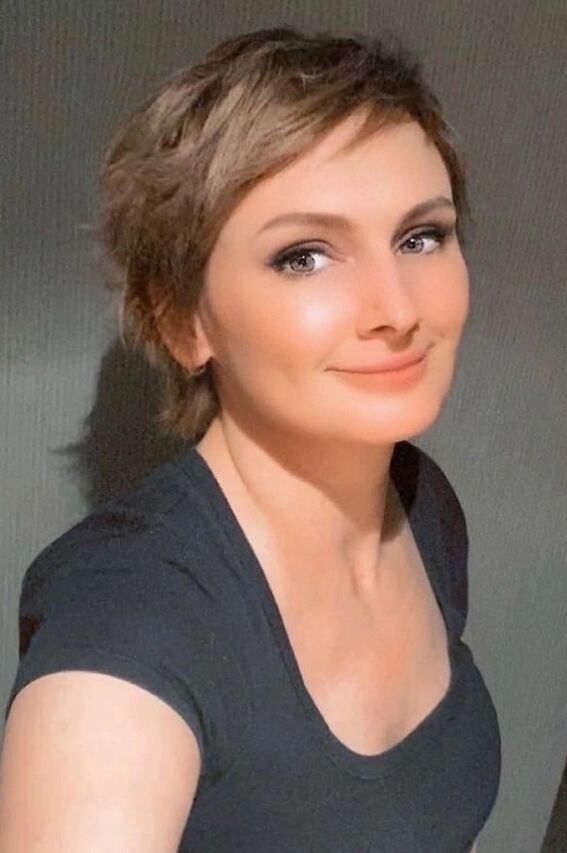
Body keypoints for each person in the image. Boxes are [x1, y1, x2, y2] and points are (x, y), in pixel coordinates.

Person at [0, 26, 500, 852]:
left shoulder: (425, 506)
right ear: (182, 320)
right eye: (305, 256)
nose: (398, 307)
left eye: (421, 237)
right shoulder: (129, 624)